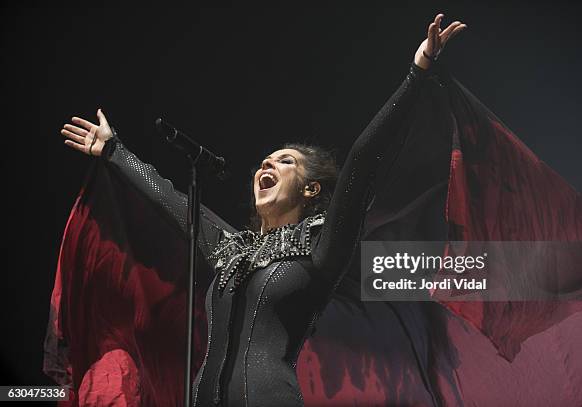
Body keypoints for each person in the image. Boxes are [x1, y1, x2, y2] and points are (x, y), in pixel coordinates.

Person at [59, 13, 467, 406]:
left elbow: (362, 162)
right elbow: (172, 200)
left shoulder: (322, 247)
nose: (267, 164)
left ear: (311, 190)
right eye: (265, 161)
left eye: (285, 160)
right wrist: (114, 151)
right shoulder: (231, 249)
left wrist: (418, 71)